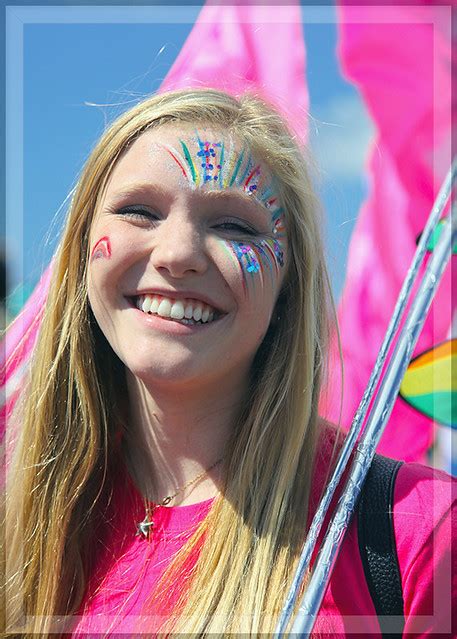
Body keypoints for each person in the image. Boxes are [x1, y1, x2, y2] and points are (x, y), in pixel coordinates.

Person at [3, 88, 454, 637]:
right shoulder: (20, 522)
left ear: (288, 281)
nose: (177, 254)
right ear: (79, 252)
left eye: (235, 226)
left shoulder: (420, 528)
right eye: (138, 211)